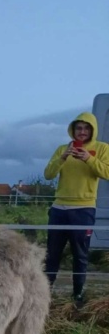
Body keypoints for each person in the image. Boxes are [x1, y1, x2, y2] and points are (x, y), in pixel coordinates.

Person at [43, 111, 109, 303]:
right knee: (52, 254)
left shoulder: (102, 148)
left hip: (83, 209)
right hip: (58, 209)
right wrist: (62, 157)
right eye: (78, 128)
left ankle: (77, 294)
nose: (82, 131)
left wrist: (88, 158)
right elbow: (48, 174)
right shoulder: (62, 149)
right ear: (73, 130)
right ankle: (45, 294)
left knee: (80, 255)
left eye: (86, 128)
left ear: (93, 130)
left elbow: (107, 172)